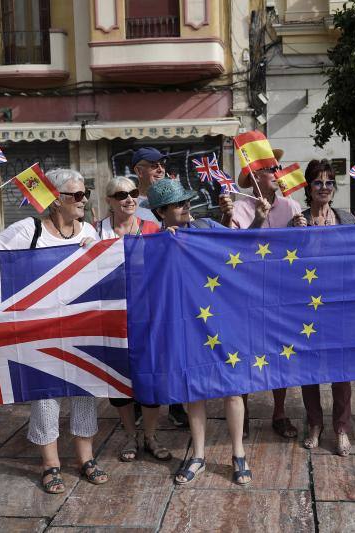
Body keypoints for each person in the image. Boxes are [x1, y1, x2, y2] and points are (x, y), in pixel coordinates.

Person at [0, 168, 108, 494]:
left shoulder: (88, 229)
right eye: (76, 195)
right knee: (46, 394)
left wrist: (97, 250)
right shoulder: (29, 229)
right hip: (41, 326)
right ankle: (50, 464)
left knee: (84, 388)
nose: (83, 199)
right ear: (55, 200)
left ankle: (86, 458)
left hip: (81, 324)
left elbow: (106, 268)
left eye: (85, 192)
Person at [143, 179, 251, 485]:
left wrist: (256, 219)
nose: (187, 206)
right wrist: (166, 245)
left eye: (187, 201)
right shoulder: (154, 242)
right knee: (194, 392)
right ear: (161, 212)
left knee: (231, 387)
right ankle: (198, 456)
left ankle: (238, 455)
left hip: (223, 319)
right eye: (179, 204)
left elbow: (242, 247)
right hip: (185, 325)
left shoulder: (208, 226)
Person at [287, 159, 355, 456]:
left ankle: (342, 429)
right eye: (318, 182)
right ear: (309, 188)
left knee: (341, 371)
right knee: (309, 369)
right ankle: (314, 424)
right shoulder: (297, 221)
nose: (324, 187)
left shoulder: (346, 219)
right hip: (306, 308)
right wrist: (293, 236)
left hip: (340, 306)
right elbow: (286, 265)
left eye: (329, 182)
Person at [95, 176, 171, 462]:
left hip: (148, 317)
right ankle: (130, 435)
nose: (129, 199)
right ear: (109, 201)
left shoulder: (153, 229)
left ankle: (150, 435)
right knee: (118, 379)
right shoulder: (95, 231)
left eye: (133, 193)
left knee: (151, 377)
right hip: (110, 316)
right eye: (121, 194)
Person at [229, 149, 303, 439]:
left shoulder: (292, 206)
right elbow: (234, 252)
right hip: (247, 293)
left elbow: (303, 250)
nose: (277, 172)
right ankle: (243, 414)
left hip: (283, 292)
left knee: (281, 353)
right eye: (271, 168)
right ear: (255, 176)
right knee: (246, 351)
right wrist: (258, 221)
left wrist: (302, 230)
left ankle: (280, 413)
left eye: (277, 167)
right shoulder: (240, 208)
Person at [129, 147, 191, 427]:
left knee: (176, 345)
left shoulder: (174, 193)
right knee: (149, 347)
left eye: (162, 164)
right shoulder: (128, 199)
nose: (159, 168)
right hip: (146, 288)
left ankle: (177, 404)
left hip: (176, 288)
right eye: (152, 164)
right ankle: (144, 404)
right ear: (137, 170)